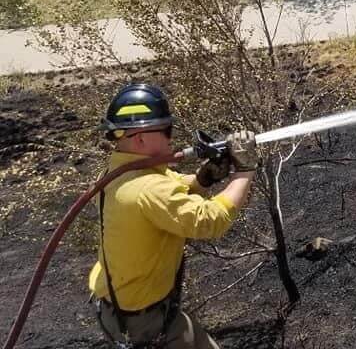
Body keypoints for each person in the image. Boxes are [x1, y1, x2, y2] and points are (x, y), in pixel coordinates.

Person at [90, 83, 258, 348]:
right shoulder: (147, 188)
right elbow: (209, 220)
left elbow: (168, 186)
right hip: (144, 323)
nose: (171, 138)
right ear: (141, 138)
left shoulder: (121, 171)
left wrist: (203, 178)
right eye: (166, 130)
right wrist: (244, 172)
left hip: (124, 309)